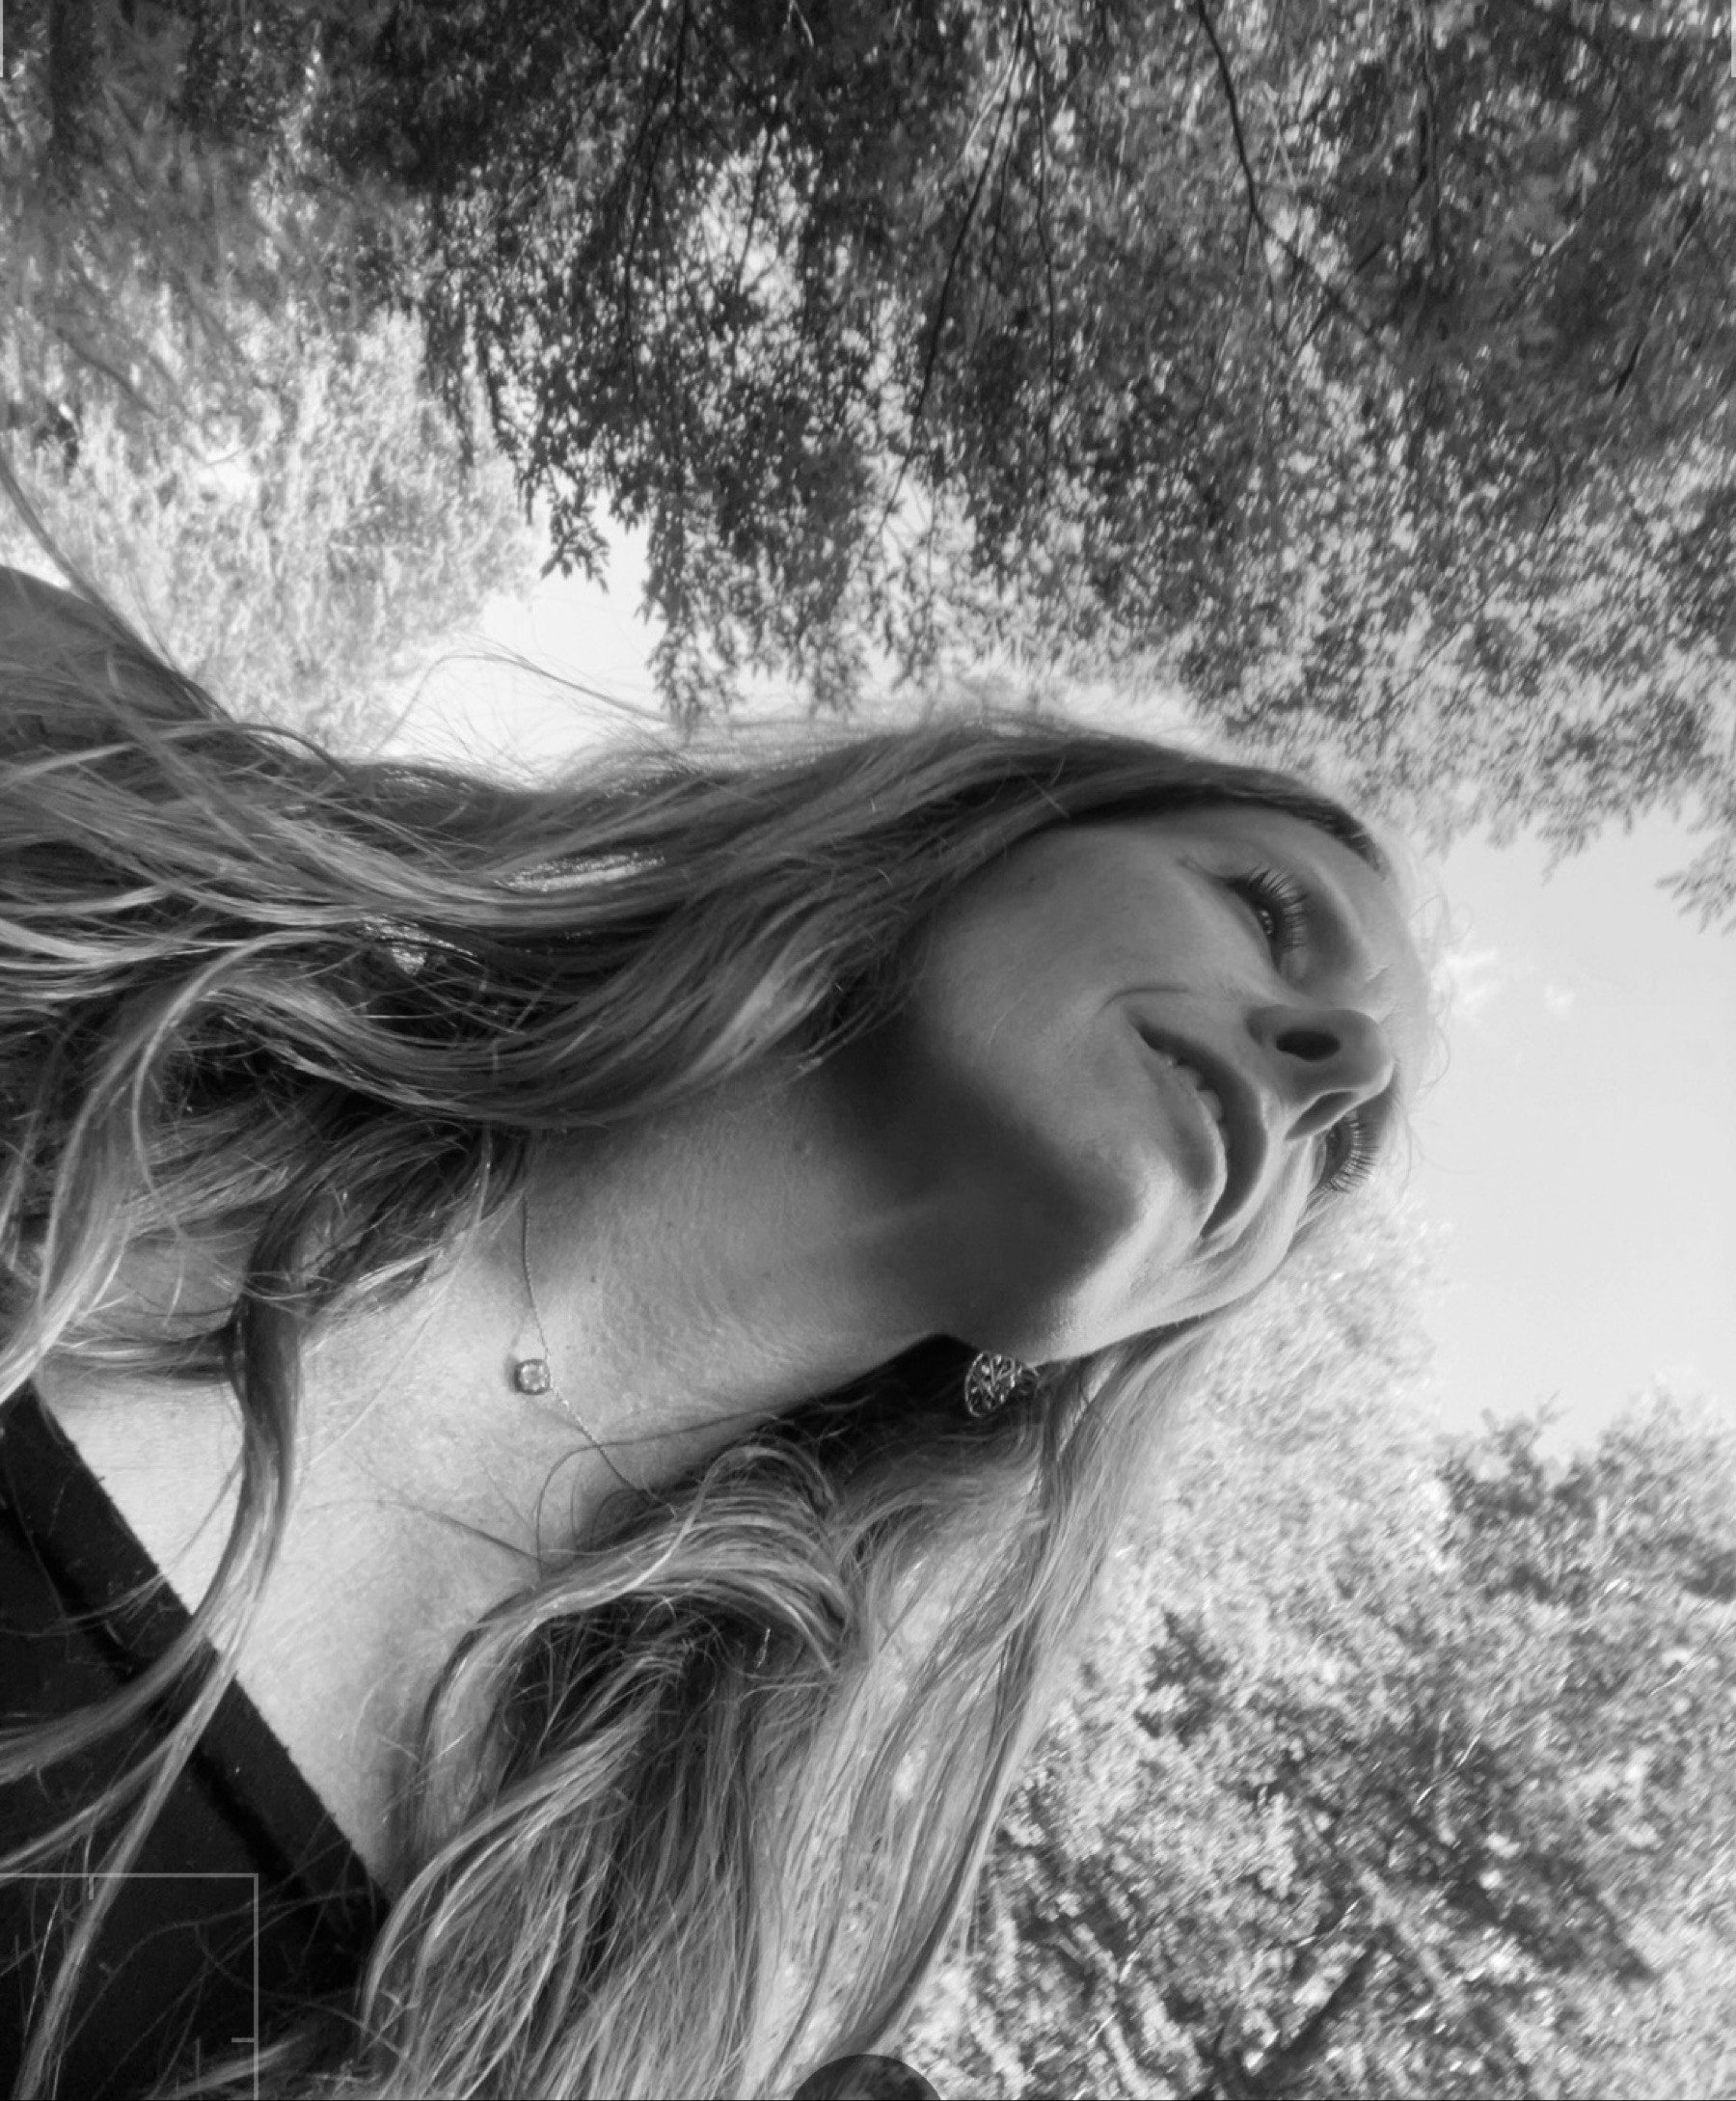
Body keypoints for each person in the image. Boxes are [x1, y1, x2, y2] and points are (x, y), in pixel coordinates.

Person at [0, 555, 1430, 2098]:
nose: (1342, 1066)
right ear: (976, 833)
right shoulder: (97, 831)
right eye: (1266, 910)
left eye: (1342, 1149)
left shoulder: (624, 1981)